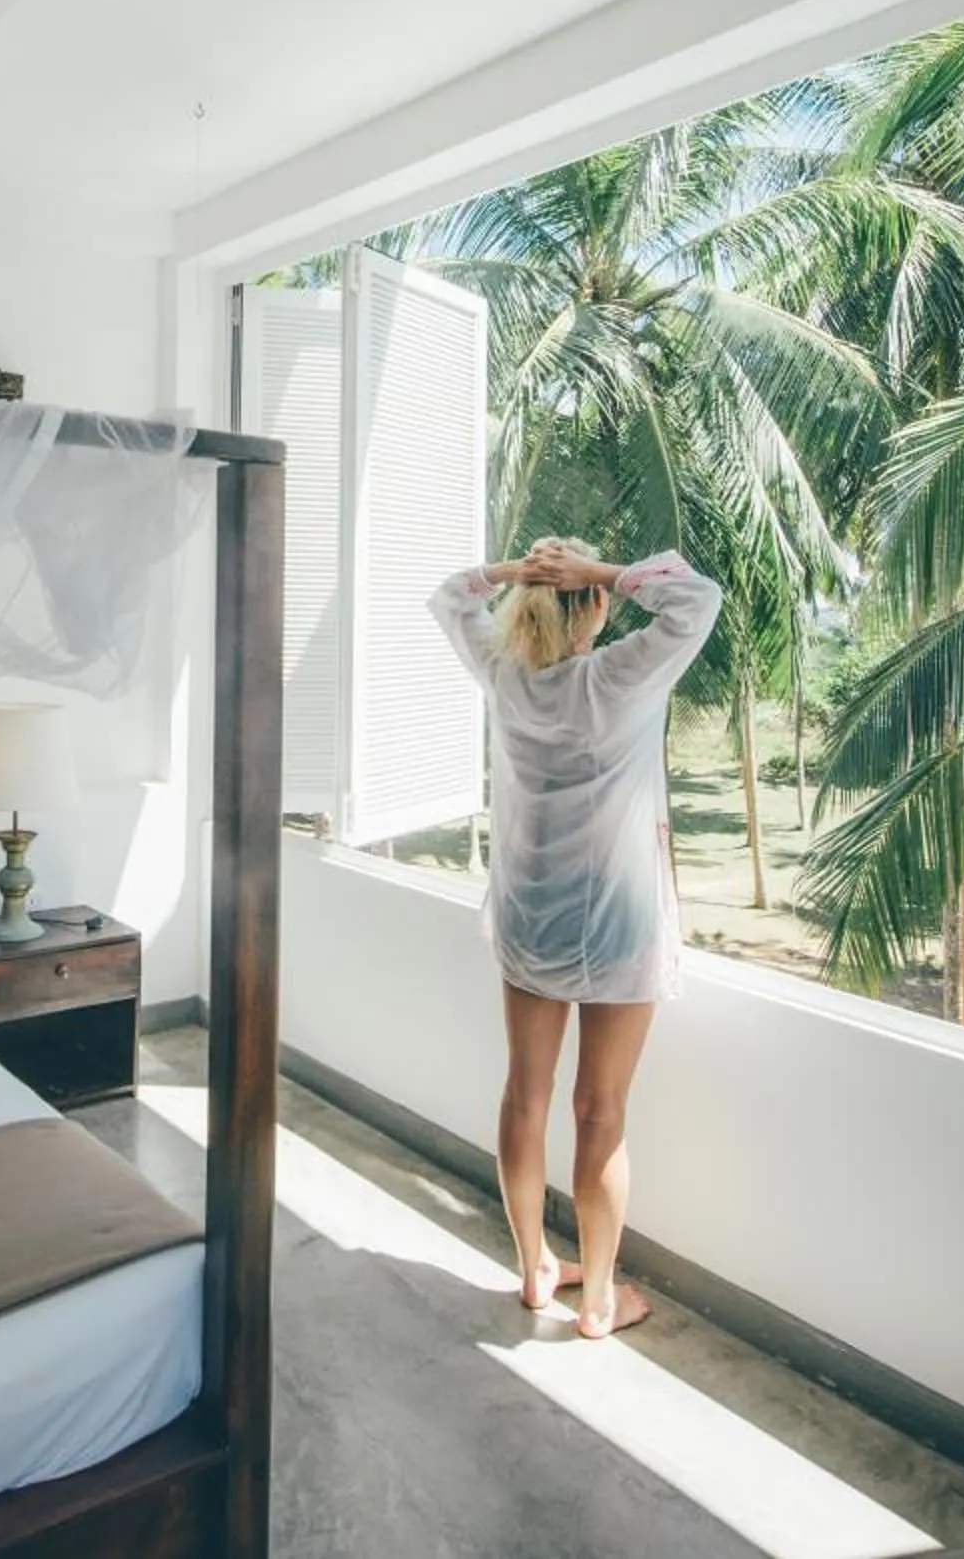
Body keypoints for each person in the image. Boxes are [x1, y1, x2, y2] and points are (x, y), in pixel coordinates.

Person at [430, 538, 721, 1338]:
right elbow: (697, 599)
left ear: (523, 603)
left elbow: (449, 596)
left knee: (526, 1094)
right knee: (602, 1111)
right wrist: (598, 574)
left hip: (531, 917)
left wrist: (512, 570)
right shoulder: (620, 677)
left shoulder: (504, 679)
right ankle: (597, 1301)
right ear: (591, 603)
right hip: (618, 928)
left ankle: (534, 1273)